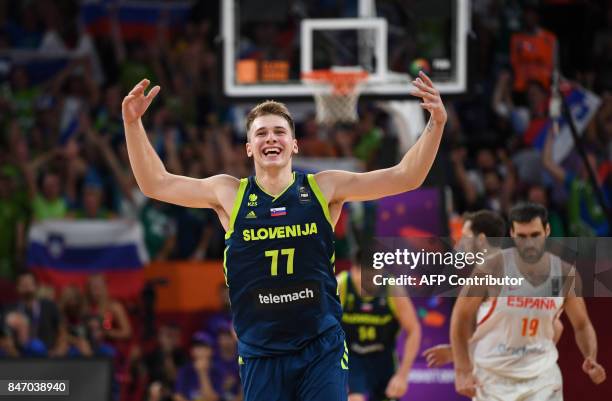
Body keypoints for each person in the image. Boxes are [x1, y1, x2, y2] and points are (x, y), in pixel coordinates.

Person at [122, 70, 446, 401]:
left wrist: (435, 125)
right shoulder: (229, 194)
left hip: (320, 347)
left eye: (279, 131)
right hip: (261, 352)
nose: (271, 138)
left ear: (294, 143)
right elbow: (155, 183)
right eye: (261, 133)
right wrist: (133, 125)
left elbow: (405, 176)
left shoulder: (323, 188)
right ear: (249, 147)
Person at [451, 203, 606, 400]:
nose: (529, 243)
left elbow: (582, 324)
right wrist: (462, 369)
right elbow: (461, 317)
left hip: (543, 379)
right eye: (522, 236)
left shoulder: (565, 274)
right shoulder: (491, 268)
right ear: (512, 233)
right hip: (493, 378)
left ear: (547, 230)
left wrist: (590, 356)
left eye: (535, 235)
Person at [423, 210, 563, 367]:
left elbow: (553, 327)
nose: (460, 243)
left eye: (465, 237)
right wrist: (454, 352)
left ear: (481, 239)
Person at [337, 247, 421, 401]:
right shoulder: (341, 285)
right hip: (351, 357)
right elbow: (322, 327)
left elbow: (414, 330)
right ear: (354, 270)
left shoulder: (393, 289)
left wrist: (402, 376)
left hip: (384, 359)